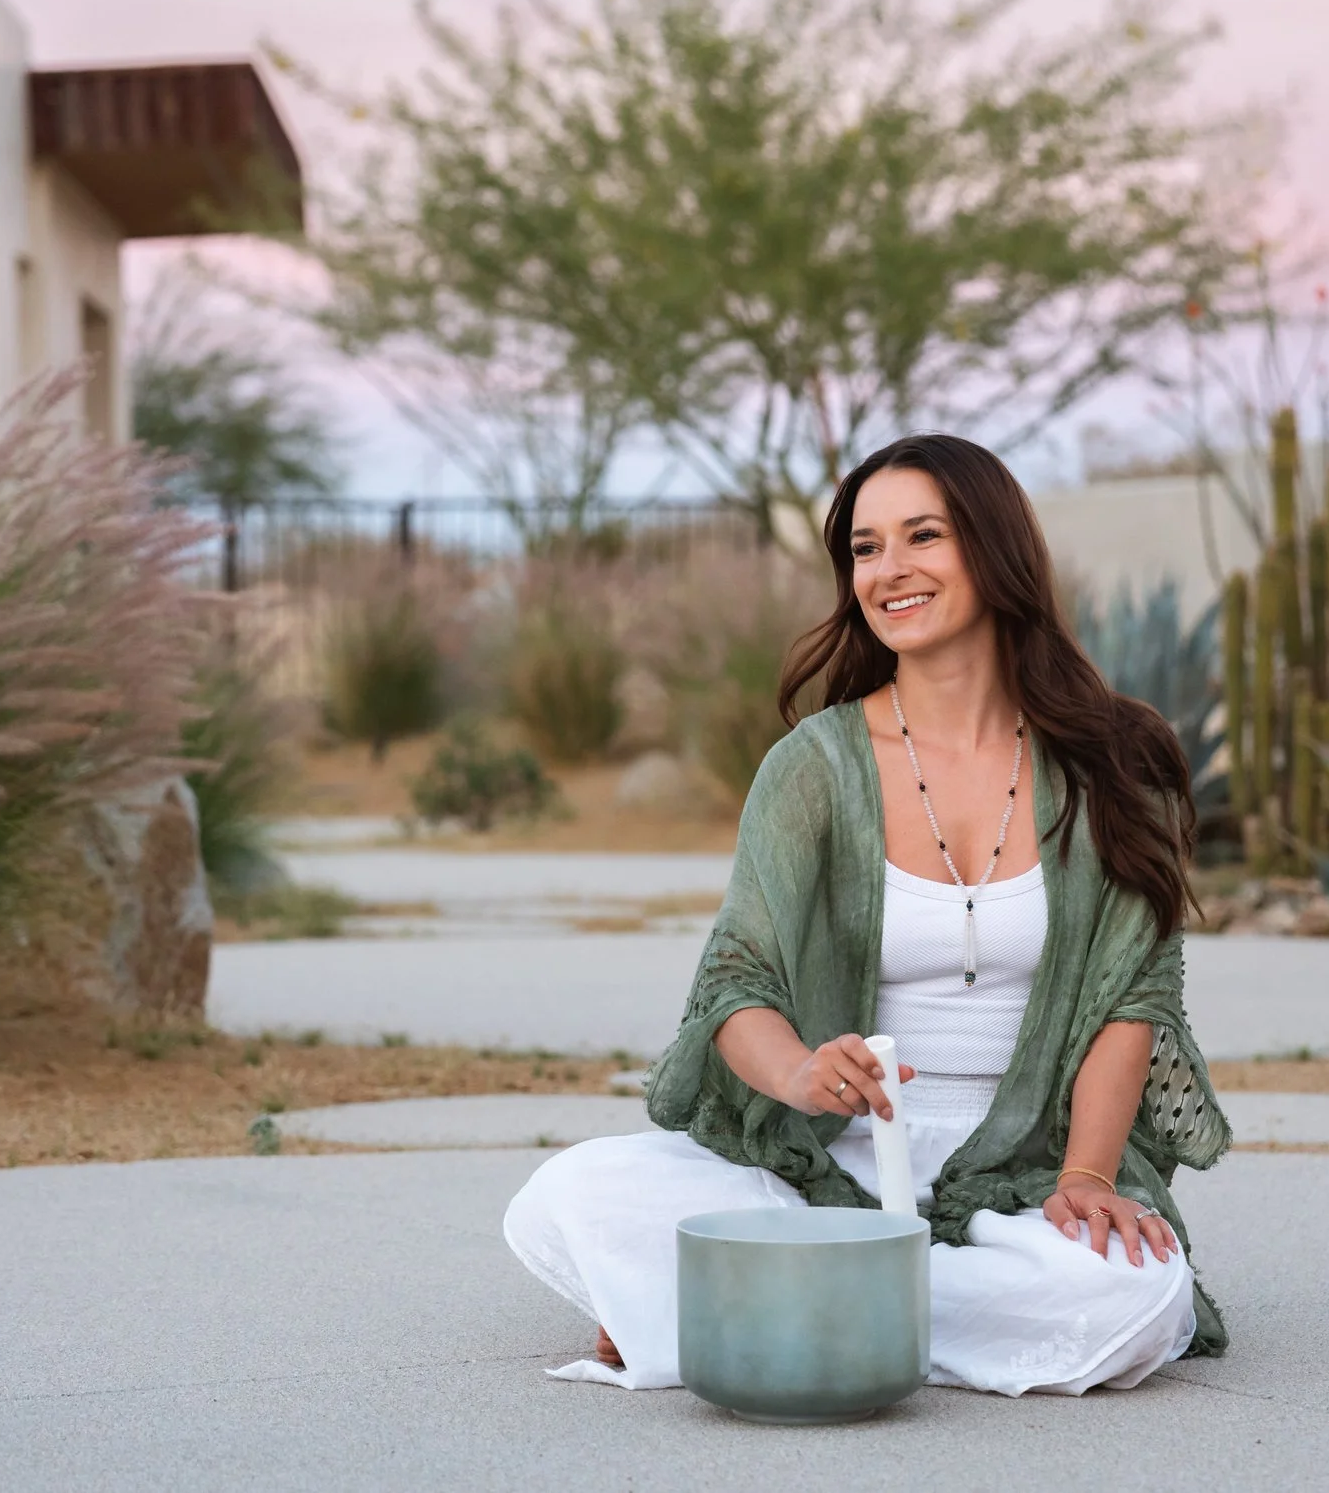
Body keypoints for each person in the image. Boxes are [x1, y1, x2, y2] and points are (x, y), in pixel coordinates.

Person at [504, 433, 1230, 1395]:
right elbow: (737, 981)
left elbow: (1130, 1002)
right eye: (865, 548)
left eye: (922, 536)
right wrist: (801, 1073)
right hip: (835, 1162)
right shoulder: (813, 765)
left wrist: (1089, 1179)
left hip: (1029, 1167)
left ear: (994, 547)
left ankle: (768, 1305)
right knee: (568, 1193)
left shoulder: (1114, 761)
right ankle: (846, 1296)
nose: (890, 571)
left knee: (1134, 1298)